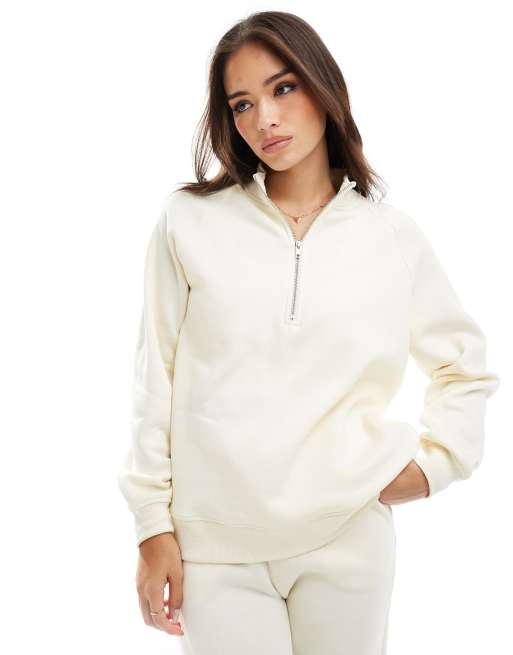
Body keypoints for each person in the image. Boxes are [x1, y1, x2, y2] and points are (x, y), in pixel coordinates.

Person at [117, 10, 500, 654]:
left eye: (284, 88)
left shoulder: (392, 237)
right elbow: (155, 378)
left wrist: (434, 466)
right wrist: (152, 527)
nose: (264, 118)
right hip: (216, 549)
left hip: (347, 536)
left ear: (325, 88)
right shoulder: (188, 222)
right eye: (242, 104)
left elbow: (464, 367)